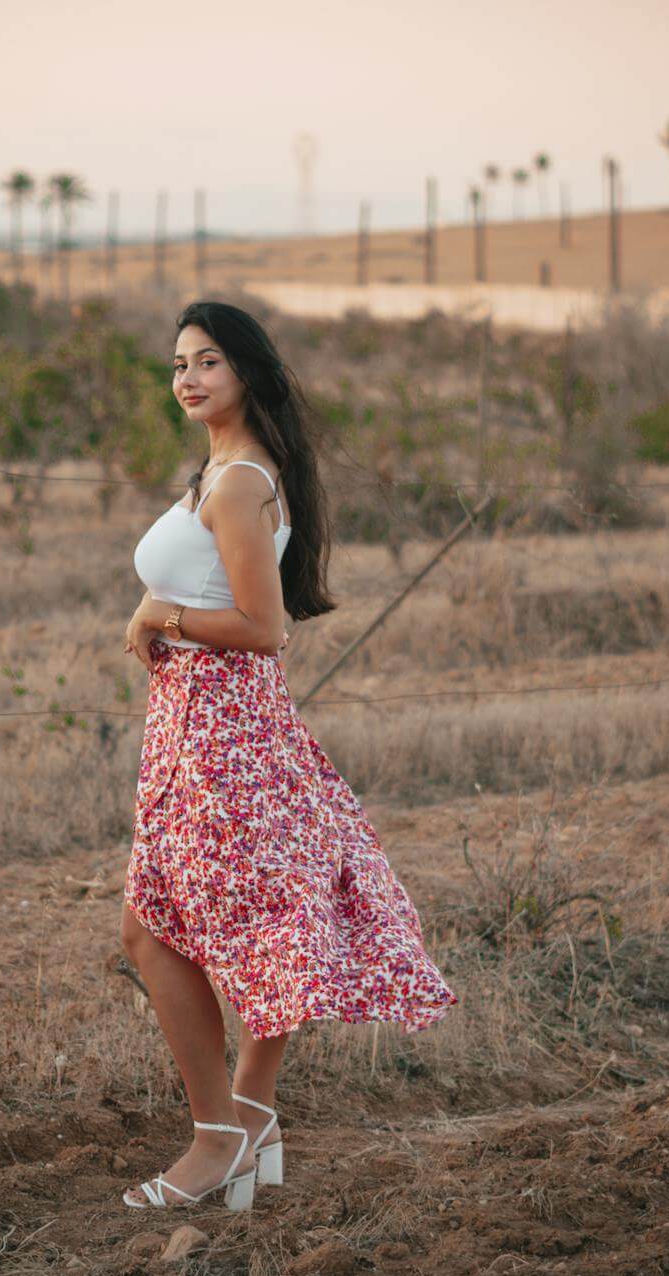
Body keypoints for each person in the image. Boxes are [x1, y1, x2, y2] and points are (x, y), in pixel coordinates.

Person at [118, 300, 459, 1212]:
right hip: (201, 725)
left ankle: (217, 1138)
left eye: (208, 362)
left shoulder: (237, 484)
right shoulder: (226, 470)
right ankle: (251, 1115)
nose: (187, 378)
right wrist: (166, 620)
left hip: (222, 730)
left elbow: (263, 628)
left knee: (157, 932)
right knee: (266, 922)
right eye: (179, 363)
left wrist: (162, 617)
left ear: (248, 375)